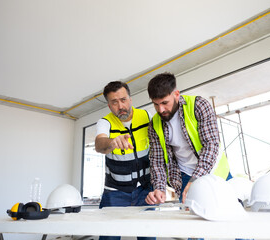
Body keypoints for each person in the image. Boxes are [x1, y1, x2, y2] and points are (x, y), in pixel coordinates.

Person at [145, 72, 231, 205]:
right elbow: (157, 161)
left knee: (226, 210)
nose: (161, 109)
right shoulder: (154, 124)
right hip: (183, 178)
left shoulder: (199, 106)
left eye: (164, 103)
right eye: (156, 104)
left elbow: (211, 144)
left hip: (214, 172)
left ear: (177, 94)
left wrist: (196, 180)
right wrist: (159, 189)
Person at [95, 81, 155, 240]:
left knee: (148, 235)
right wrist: (112, 142)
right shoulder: (105, 122)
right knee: (109, 236)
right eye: (114, 102)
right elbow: (99, 145)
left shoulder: (146, 116)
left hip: (144, 189)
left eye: (123, 100)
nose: (120, 106)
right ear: (109, 106)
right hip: (115, 192)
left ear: (130, 99)